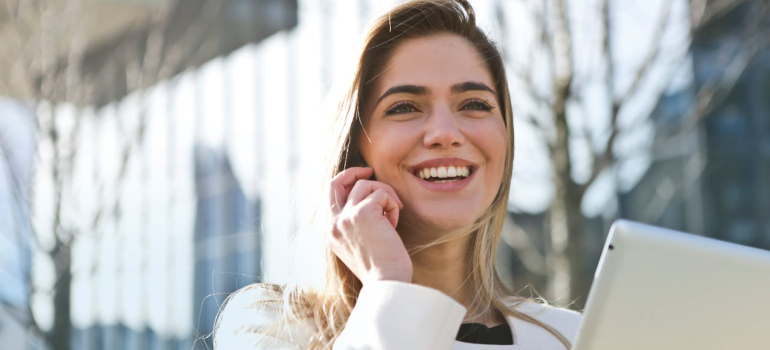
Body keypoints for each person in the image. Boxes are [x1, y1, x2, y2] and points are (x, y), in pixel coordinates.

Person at [214, 0, 581, 349]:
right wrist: (387, 287)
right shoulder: (272, 326)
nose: (445, 133)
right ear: (356, 148)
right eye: (405, 107)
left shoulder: (575, 337)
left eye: (474, 104)